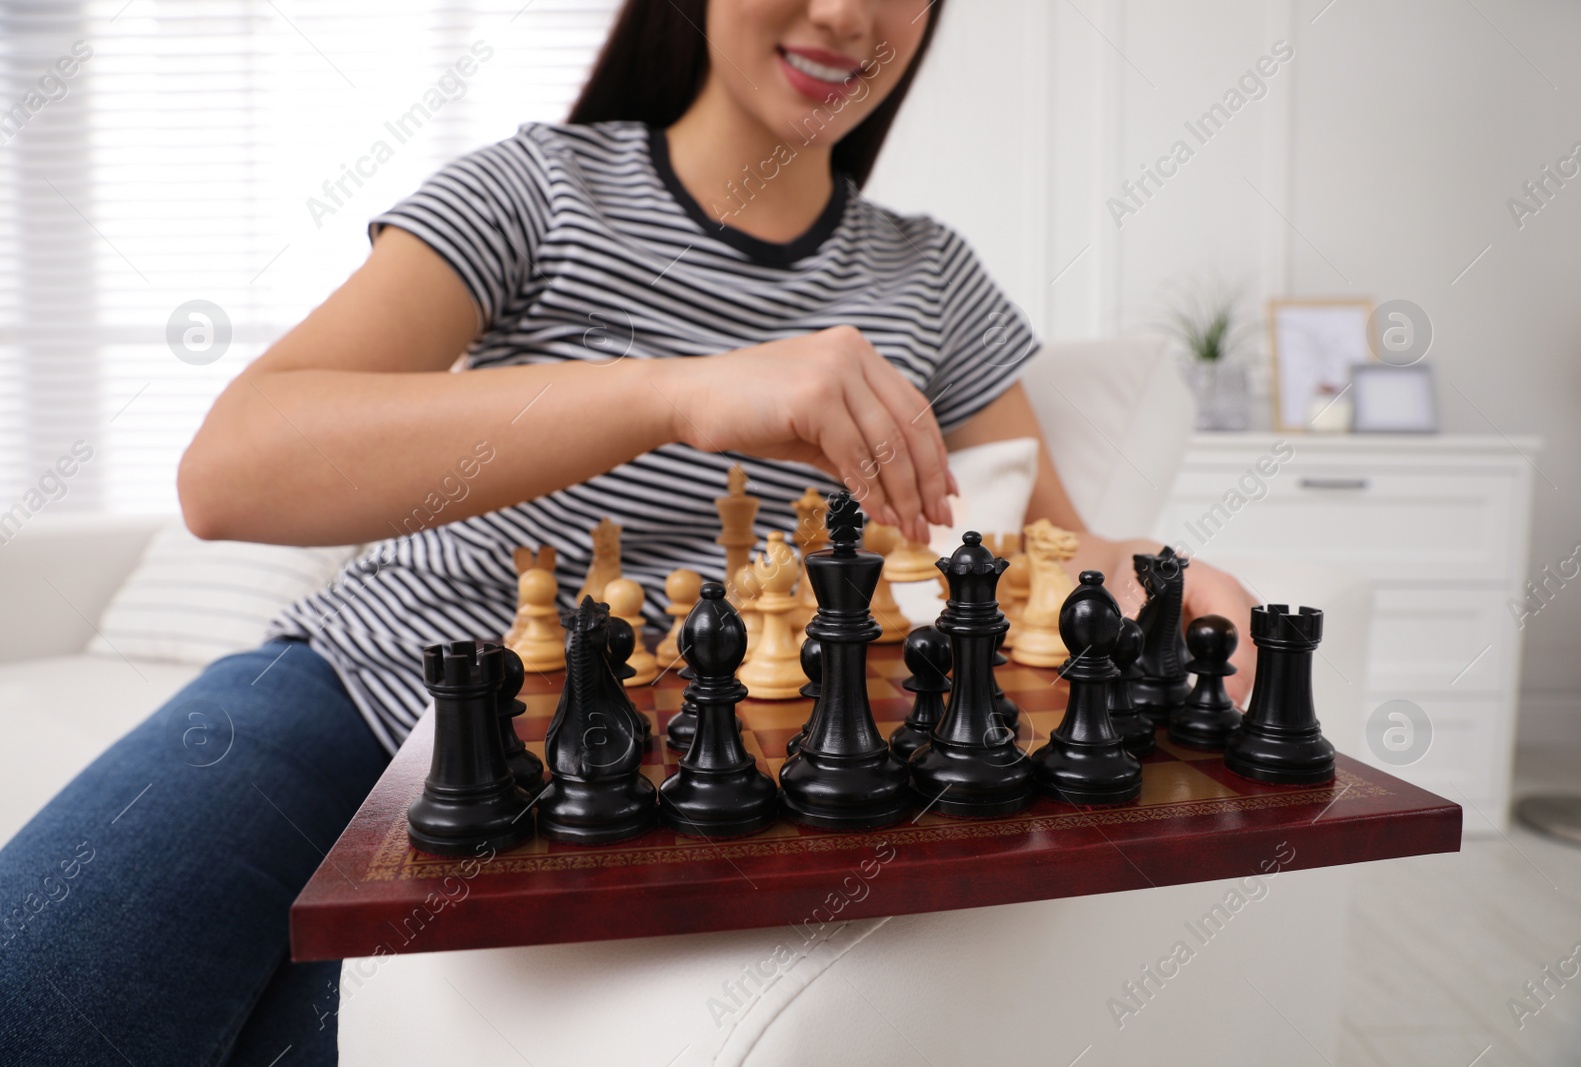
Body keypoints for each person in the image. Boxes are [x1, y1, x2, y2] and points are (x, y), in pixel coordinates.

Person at [0, 1, 1255, 1062]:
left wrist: (1171, 577)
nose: (846, 17)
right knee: (46, 1004)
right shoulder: (534, 185)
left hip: (633, 781)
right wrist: (677, 390)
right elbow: (230, 473)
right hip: (345, 695)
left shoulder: (931, 280)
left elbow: (1045, 552)